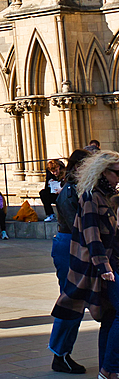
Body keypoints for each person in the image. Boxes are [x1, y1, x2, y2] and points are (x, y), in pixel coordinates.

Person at [52, 150, 119, 379]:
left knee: (108, 314)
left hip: (106, 260)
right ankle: (106, 367)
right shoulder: (88, 195)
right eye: (117, 173)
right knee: (79, 304)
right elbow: (90, 235)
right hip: (93, 262)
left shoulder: (107, 195)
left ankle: (106, 369)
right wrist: (103, 267)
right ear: (102, 172)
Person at [47, 148, 90, 374]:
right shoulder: (71, 192)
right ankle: (59, 353)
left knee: (76, 301)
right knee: (71, 300)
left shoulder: (79, 190)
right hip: (70, 246)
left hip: (74, 245)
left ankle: (62, 352)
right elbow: (79, 227)